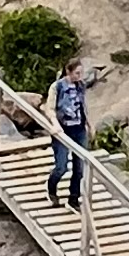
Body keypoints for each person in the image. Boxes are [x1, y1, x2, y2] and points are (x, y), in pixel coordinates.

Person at [44, 58, 90, 211]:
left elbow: (83, 106)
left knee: (79, 167)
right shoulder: (57, 87)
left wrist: (89, 124)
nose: (80, 76)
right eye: (77, 73)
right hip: (63, 130)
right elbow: (49, 108)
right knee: (61, 166)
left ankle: (73, 198)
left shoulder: (80, 86)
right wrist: (55, 125)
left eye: (81, 73)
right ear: (68, 71)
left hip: (79, 128)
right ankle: (51, 188)